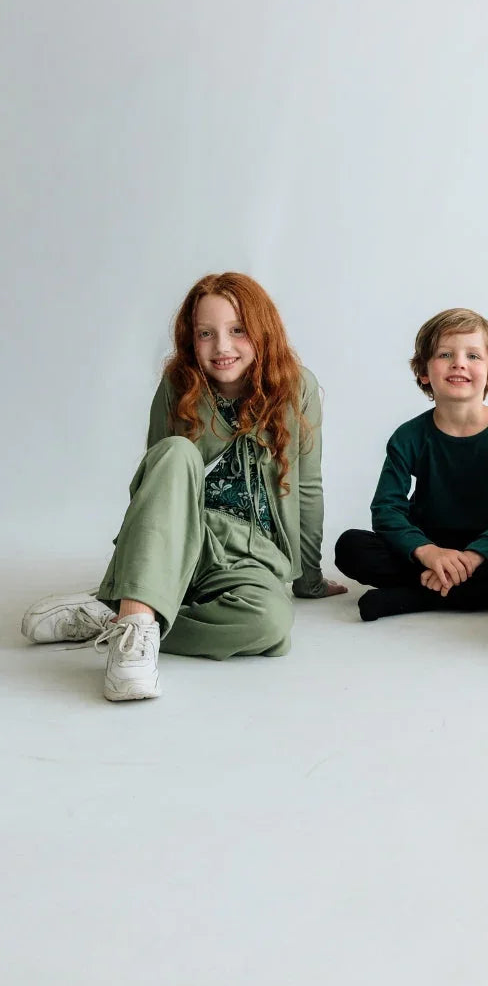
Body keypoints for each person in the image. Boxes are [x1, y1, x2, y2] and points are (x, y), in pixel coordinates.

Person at [21, 272, 345, 700]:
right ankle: (135, 634)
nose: (222, 347)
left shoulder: (297, 386)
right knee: (175, 451)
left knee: (270, 627)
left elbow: (308, 485)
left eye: (237, 330)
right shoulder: (179, 385)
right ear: (191, 340)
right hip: (182, 541)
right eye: (206, 334)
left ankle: (121, 619)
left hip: (253, 556)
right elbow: (155, 486)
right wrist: (133, 564)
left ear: (262, 331)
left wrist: (310, 577)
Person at [334, 308, 488, 620]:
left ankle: (415, 597)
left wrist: (473, 555)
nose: (459, 363)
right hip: (427, 545)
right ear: (424, 372)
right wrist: (428, 552)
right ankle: (485, 594)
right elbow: (386, 509)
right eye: (445, 354)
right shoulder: (409, 436)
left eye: (473, 356)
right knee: (350, 546)